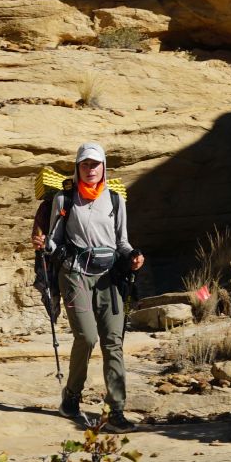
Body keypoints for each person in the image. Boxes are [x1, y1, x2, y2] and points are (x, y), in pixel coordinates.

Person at [31, 142, 144, 431]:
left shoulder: (116, 200)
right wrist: (45, 245)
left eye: (95, 164)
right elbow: (54, 238)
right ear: (77, 166)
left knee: (113, 343)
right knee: (88, 337)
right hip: (74, 275)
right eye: (85, 164)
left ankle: (115, 411)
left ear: (104, 167)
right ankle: (71, 397)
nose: (91, 169)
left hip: (109, 277)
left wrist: (132, 256)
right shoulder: (64, 200)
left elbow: (122, 241)